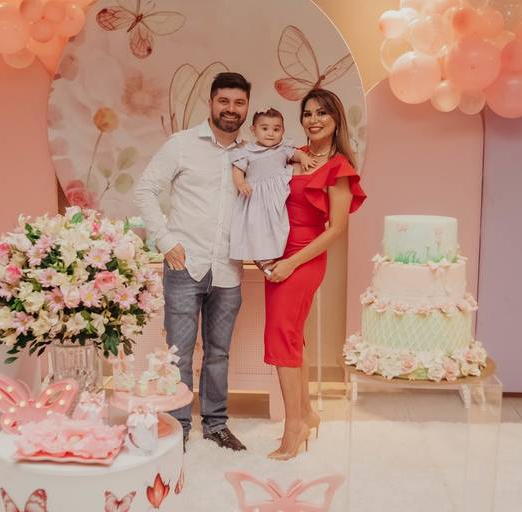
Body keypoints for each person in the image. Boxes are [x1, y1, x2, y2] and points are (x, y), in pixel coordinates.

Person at [133, 72, 251, 452]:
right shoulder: (182, 145)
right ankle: (178, 426)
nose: (231, 109)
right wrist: (166, 241)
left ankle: (216, 424)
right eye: (224, 101)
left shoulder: (249, 154)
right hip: (185, 266)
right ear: (211, 103)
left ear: (246, 107)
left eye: (239, 103)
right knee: (178, 354)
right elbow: (145, 189)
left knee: (219, 353)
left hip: (228, 268)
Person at [263, 88, 366, 460]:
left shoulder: (339, 167)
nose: (314, 119)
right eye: (307, 113)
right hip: (278, 253)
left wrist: (291, 263)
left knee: (281, 339)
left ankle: (293, 426)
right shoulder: (294, 155)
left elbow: (336, 229)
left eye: (322, 113)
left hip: (304, 256)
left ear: (336, 119)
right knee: (292, 338)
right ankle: (306, 413)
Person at [229, 107, 317, 274]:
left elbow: (296, 154)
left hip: (276, 198)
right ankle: (260, 257)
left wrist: (304, 157)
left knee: (277, 226)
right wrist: (240, 183)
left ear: (283, 131)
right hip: (256, 197)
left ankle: (276, 255)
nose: (270, 133)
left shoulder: (283, 148)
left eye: (276, 129)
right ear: (253, 130)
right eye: (264, 128)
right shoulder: (247, 151)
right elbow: (238, 168)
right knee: (256, 226)